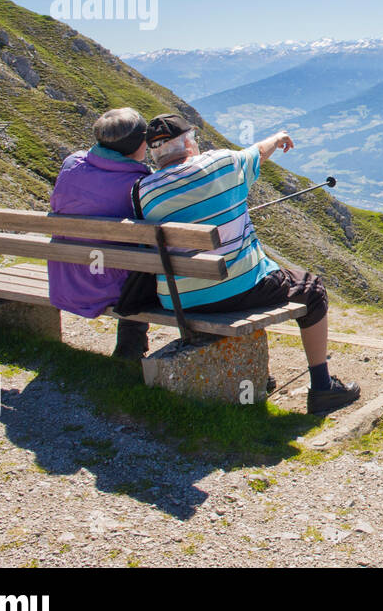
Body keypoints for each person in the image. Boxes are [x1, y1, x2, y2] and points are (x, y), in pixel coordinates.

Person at [133, 114, 360, 415]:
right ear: (188, 142)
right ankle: (322, 387)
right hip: (236, 290)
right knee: (313, 289)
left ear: (154, 152)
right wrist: (279, 137)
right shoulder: (223, 164)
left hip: (178, 299)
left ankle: (259, 378)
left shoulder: (143, 190)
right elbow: (258, 152)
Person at [47, 108, 154, 360]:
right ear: (137, 143)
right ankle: (129, 346)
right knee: (146, 264)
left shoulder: (72, 163)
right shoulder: (140, 182)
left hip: (66, 277)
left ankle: (132, 345)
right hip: (111, 286)